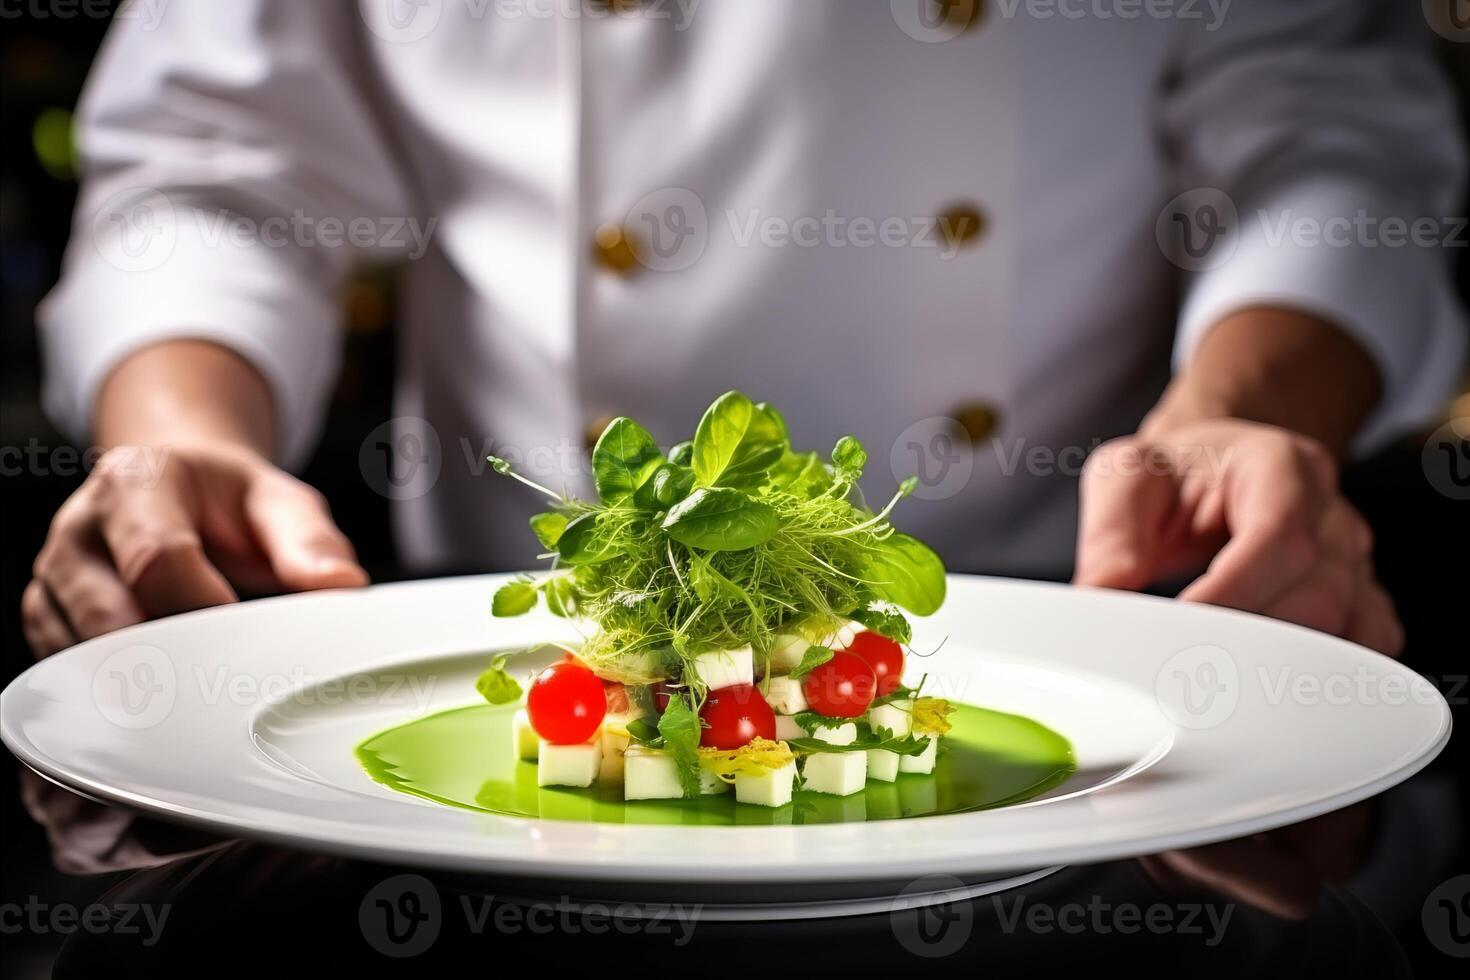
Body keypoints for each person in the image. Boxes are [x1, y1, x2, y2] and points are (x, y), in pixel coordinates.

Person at [23, 0, 1463, 665]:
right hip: (487, 653)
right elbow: (216, 166)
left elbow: (1333, 142)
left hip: (1095, 635)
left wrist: (1235, 416)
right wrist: (182, 445)